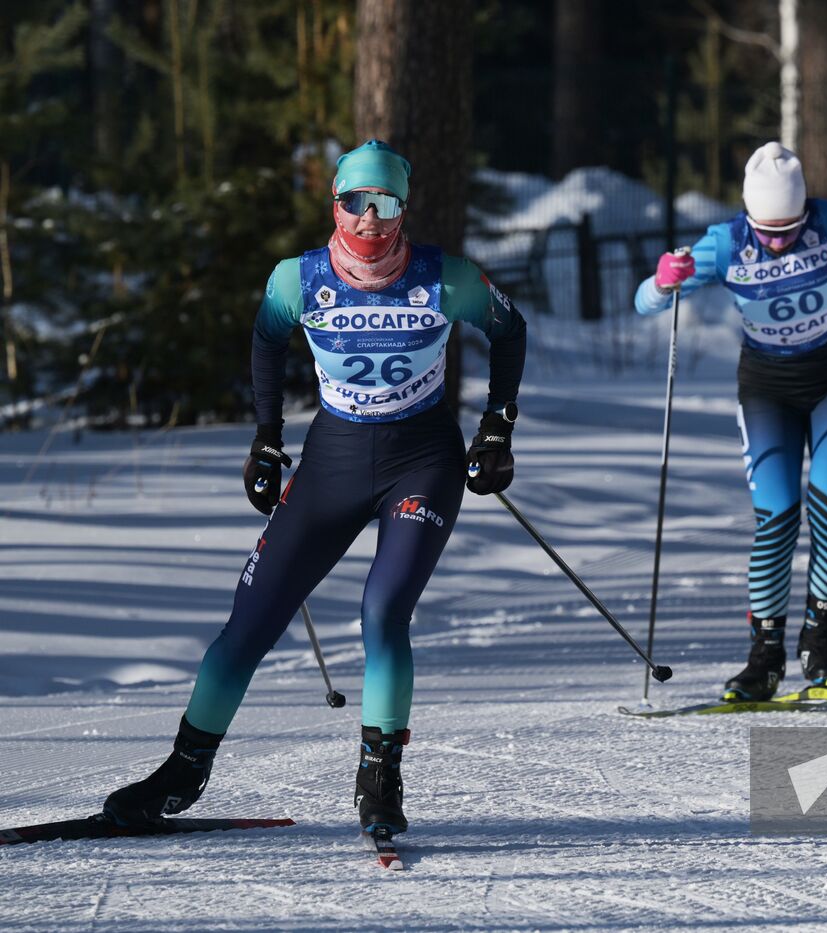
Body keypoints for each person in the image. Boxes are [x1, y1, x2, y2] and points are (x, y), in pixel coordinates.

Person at [103, 140, 527, 838]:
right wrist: (266, 438)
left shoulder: (443, 278)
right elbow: (267, 340)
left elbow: (510, 331)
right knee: (249, 621)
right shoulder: (296, 280)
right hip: (332, 458)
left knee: (383, 611)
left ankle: (380, 777)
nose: (370, 220)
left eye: (385, 203)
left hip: (420, 460)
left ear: (402, 209)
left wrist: (496, 429)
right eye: (355, 202)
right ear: (335, 204)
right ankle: (183, 770)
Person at [634, 141, 827, 701]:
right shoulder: (726, 243)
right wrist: (664, 282)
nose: (780, 240)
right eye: (769, 230)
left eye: (790, 228)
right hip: (768, 387)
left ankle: (820, 643)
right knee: (777, 514)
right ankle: (764, 656)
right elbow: (644, 302)